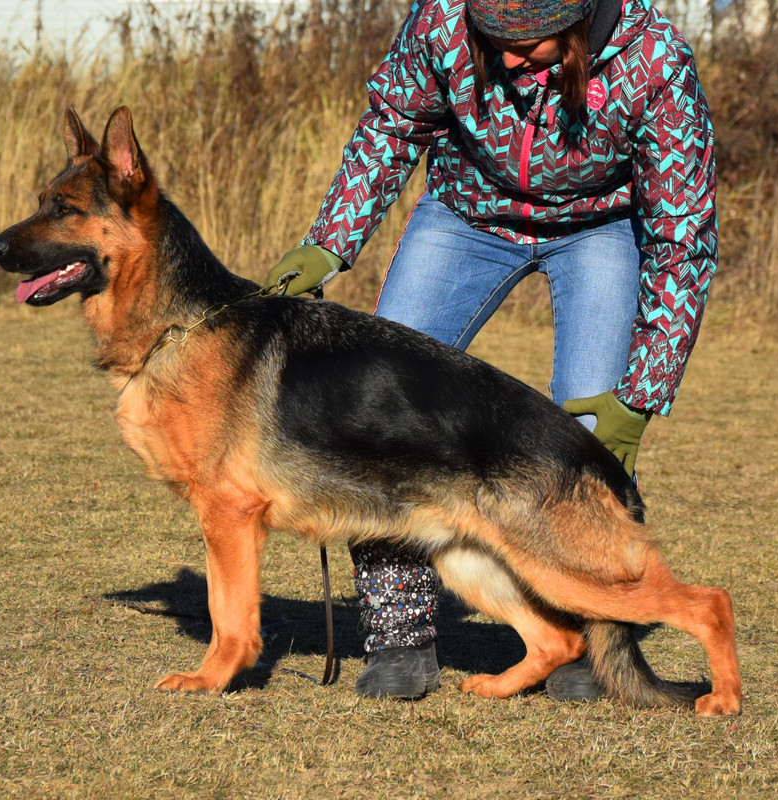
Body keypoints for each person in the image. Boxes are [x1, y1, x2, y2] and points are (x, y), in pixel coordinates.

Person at [264, 0, 718, 700]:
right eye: (493, 42)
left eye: (529, 45)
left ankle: (581, 642)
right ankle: (399, 638)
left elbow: (680, 235)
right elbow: (391, 125)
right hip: (463, 216)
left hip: (599, 226)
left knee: (587, 434)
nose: (506, 59)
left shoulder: (652, 57)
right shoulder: (441, 20)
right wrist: (330, 241)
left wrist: (641, 394)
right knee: (381, 428)